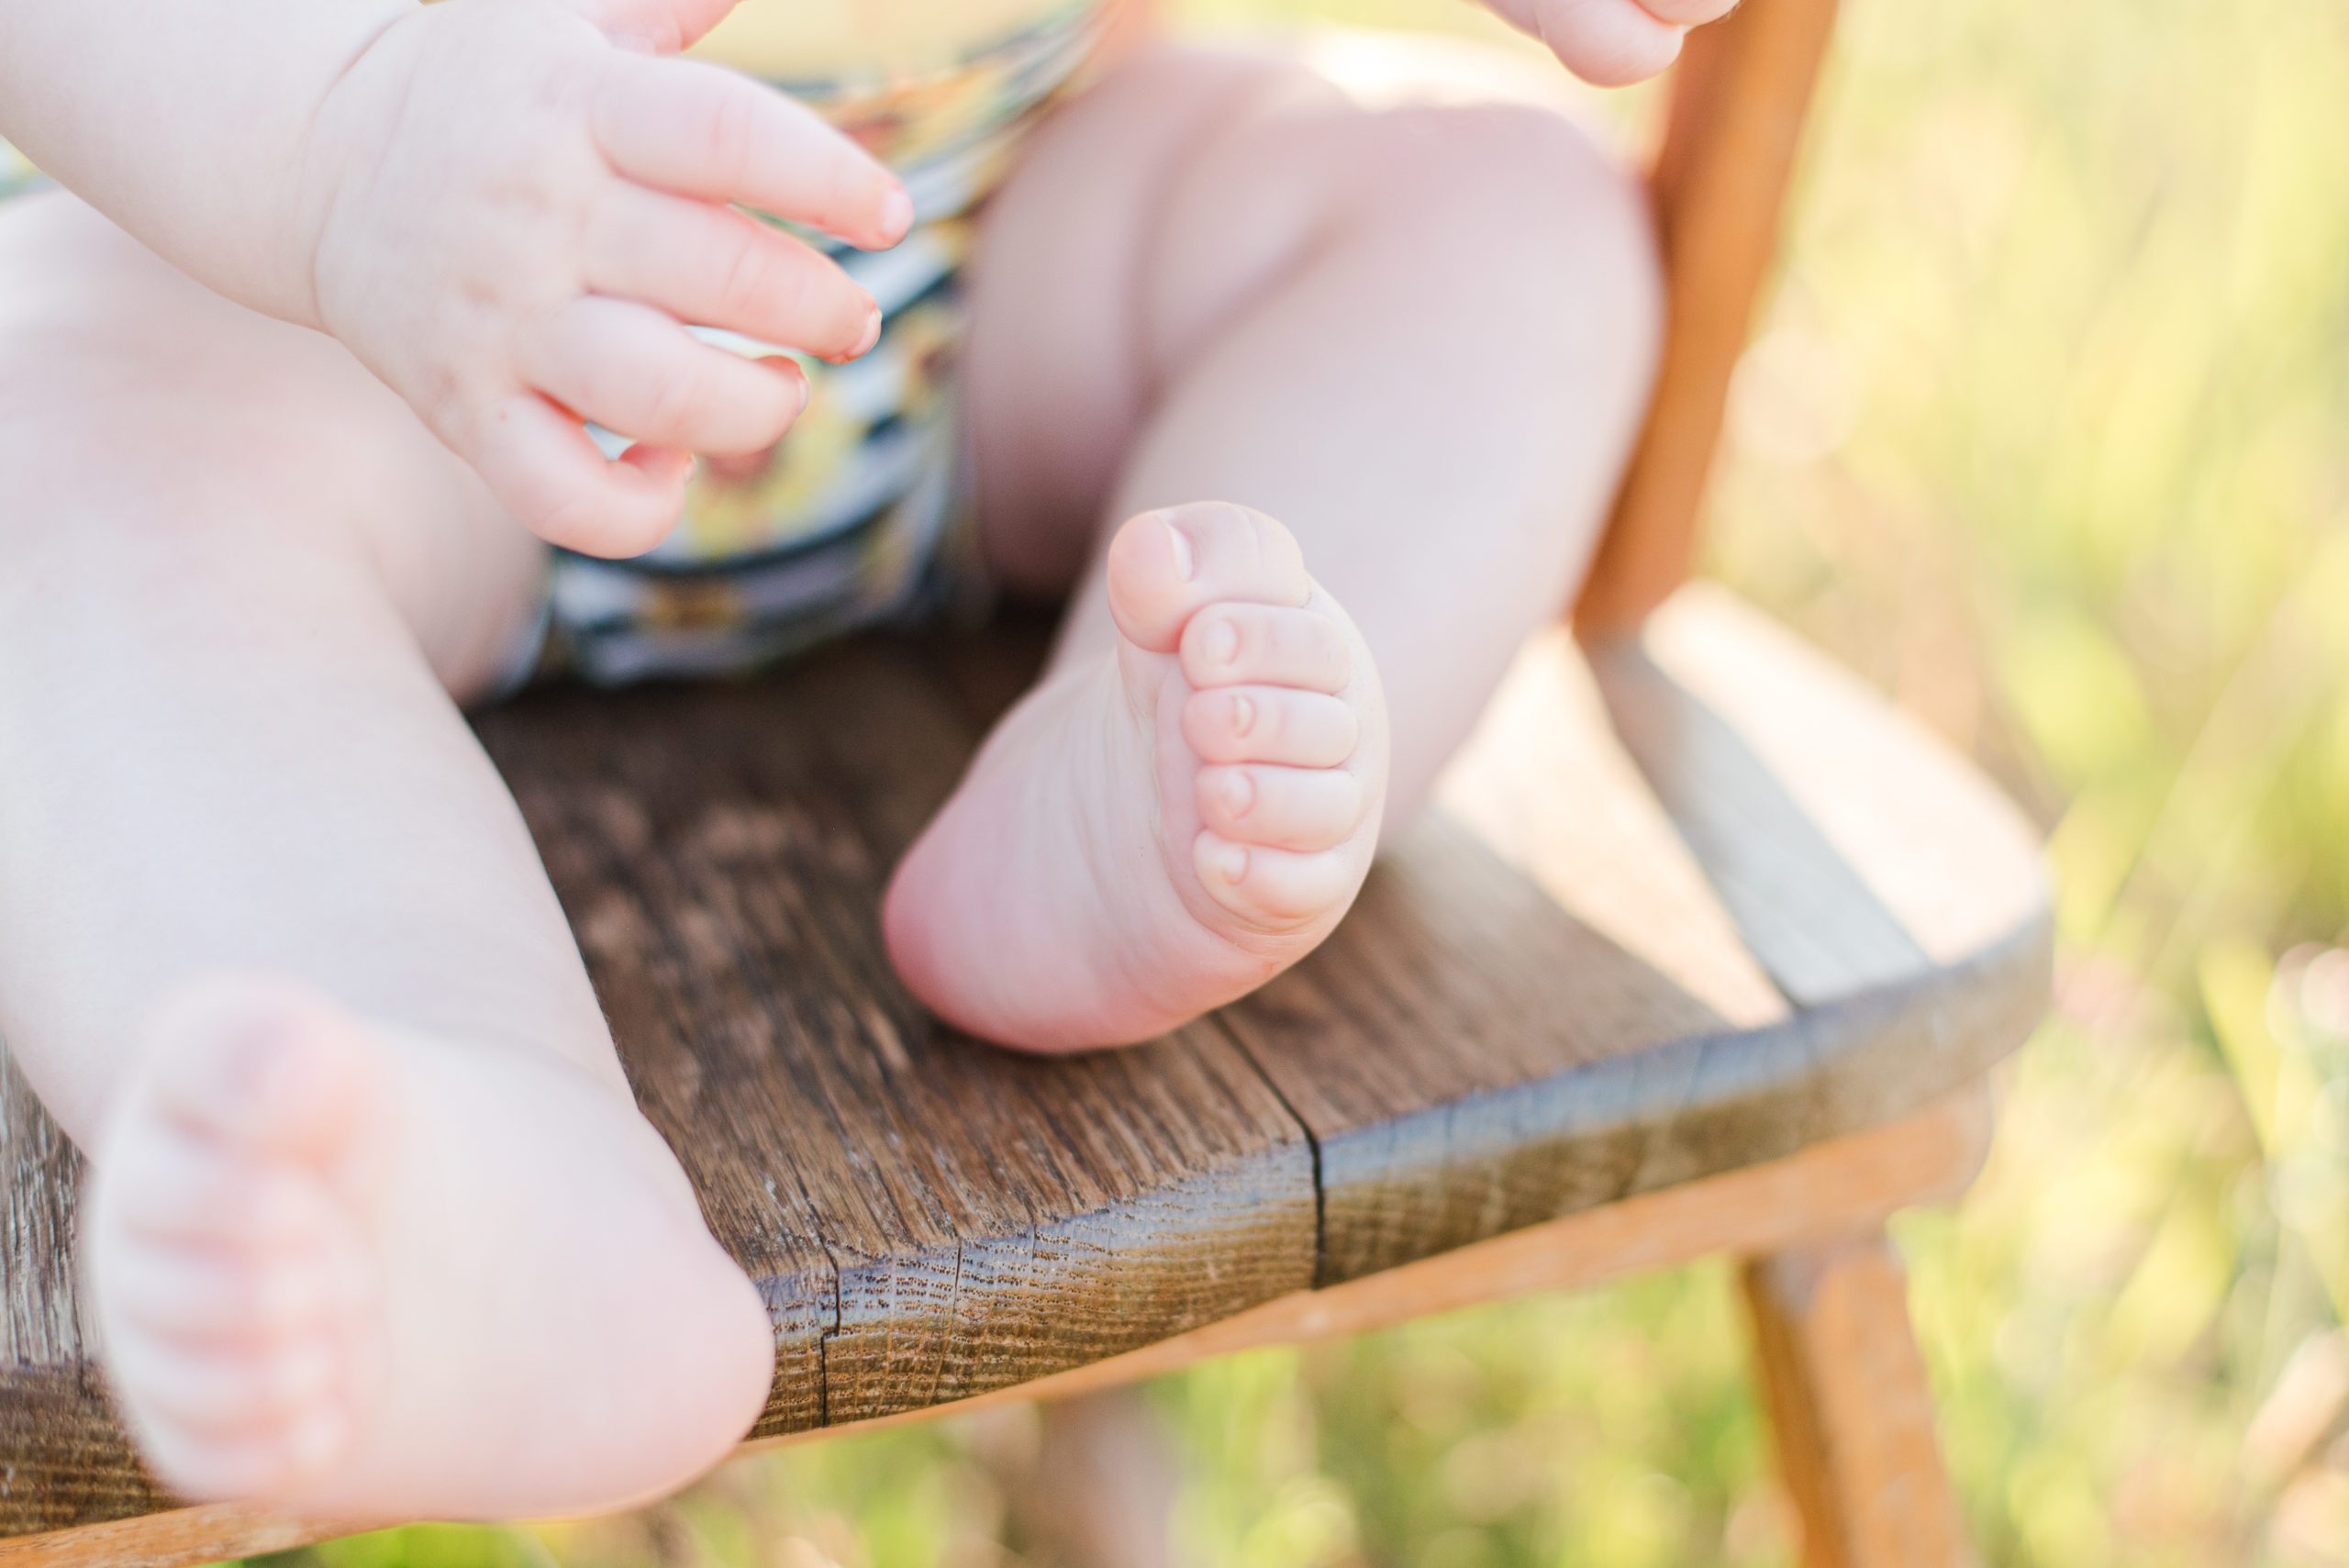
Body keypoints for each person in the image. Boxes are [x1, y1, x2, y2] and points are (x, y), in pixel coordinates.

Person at [0, 0, 1692, 1524]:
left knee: (1512, 215)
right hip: (340, 276)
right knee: (50, 454)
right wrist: (347, 126)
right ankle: (463, 1177)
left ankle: (1139, 757)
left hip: (986, 224)